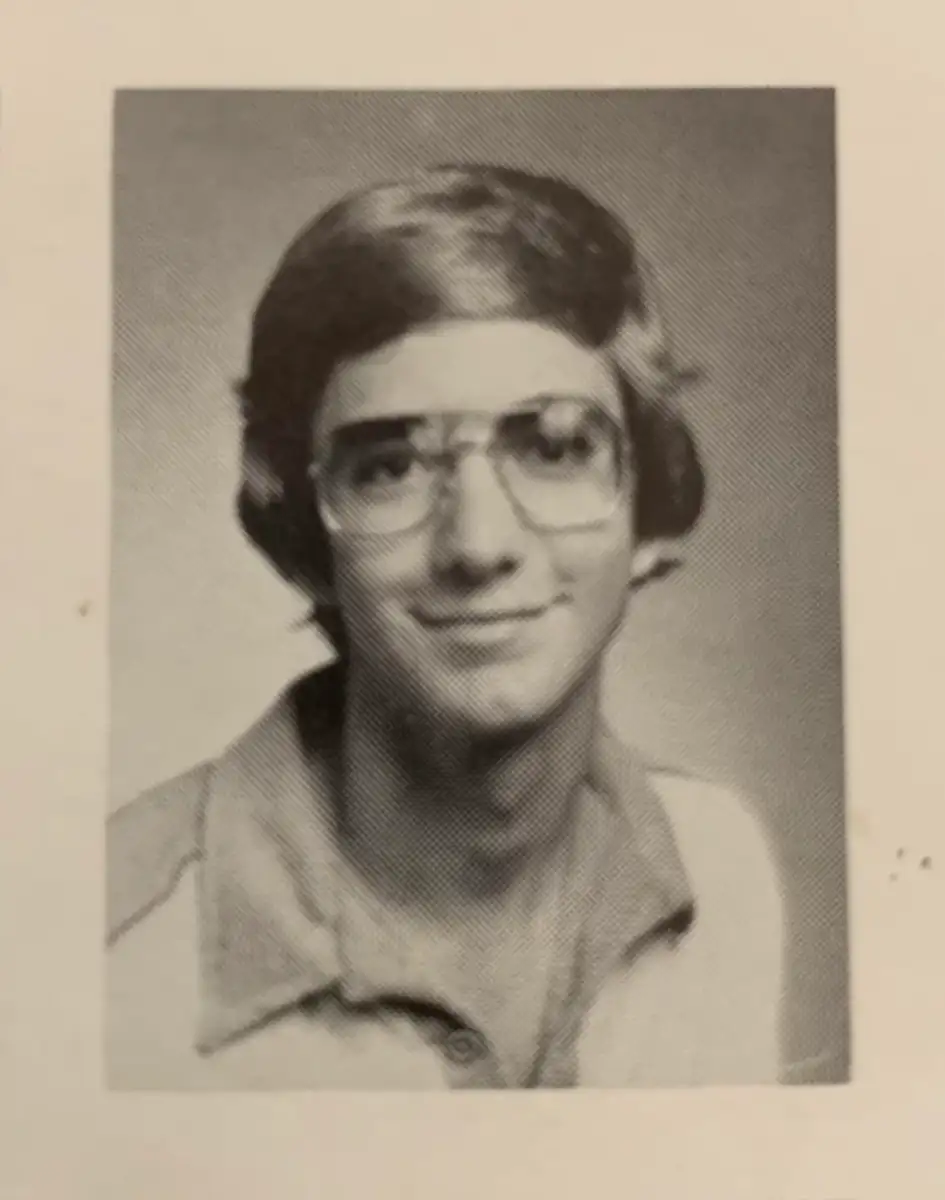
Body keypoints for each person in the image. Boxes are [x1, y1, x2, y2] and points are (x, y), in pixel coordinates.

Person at [107, 164, 785, 1090]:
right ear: (306, 543)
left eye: (552, 447)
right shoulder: (107, 953)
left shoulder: (717, 867)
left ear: (647, 510)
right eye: (388, 468)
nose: (477, 543)